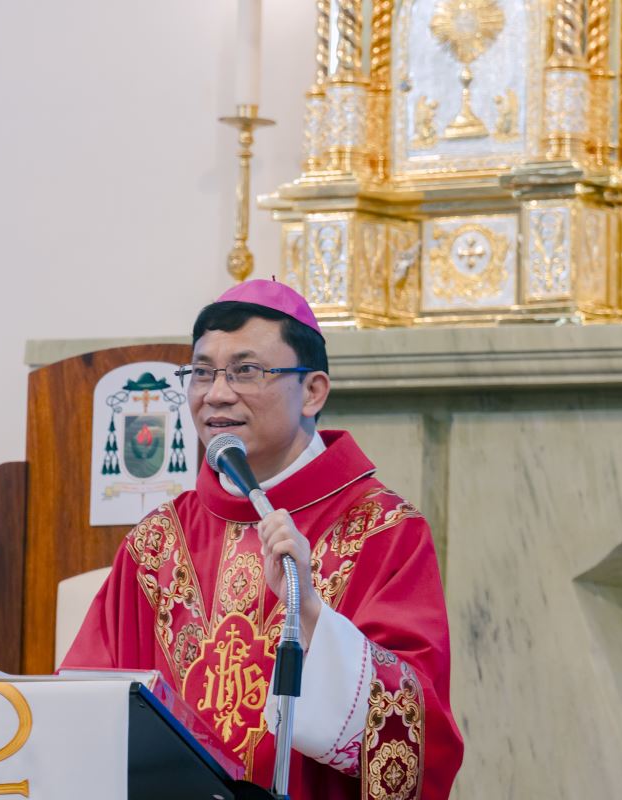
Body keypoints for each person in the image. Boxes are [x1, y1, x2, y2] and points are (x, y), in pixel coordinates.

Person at [62, 279, 463, 799]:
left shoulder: (383, 529)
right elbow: (86, 709)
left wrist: (313, 614)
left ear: (312, 391)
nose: (216, 393)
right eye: (201, 372)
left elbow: (416, 735)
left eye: (245, 371)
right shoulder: (157, 542)